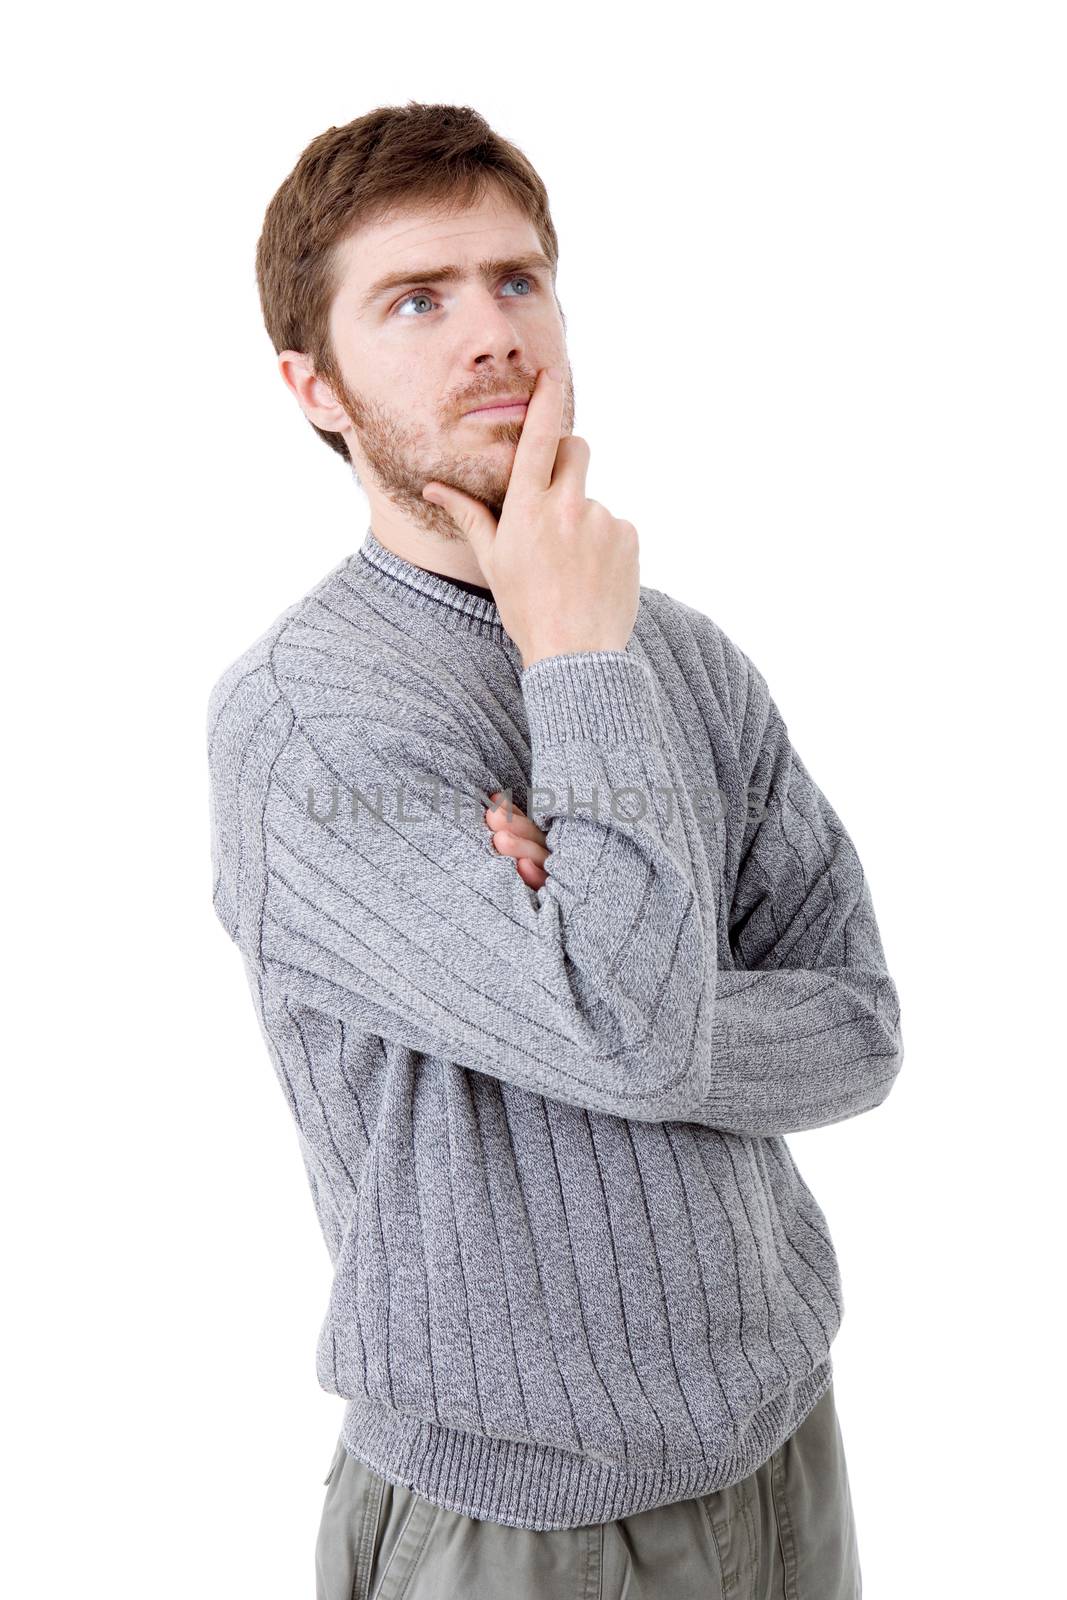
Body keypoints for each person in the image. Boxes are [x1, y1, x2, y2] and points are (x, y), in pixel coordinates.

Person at [206, 102, 904, 1599]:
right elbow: (626, 1031)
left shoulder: (688, 658)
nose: (494, 334)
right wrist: (577, 672)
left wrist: (600, 951)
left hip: (788, 1446)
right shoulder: (305, 723)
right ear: (313, 388)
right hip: (515, 1525)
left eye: (519, 280)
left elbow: (857, 1029)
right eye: (419, 300)